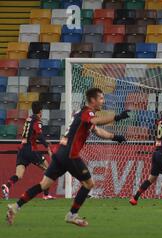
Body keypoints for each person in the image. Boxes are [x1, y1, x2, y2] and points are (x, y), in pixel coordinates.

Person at [6, 88, 129, 227]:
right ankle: (72, 215)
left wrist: (115, 137)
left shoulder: (83, 115)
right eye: (101, 98)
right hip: (70, 155)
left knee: (44, 185)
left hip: (60, 153)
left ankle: (15, 207)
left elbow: (97, 130)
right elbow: (97, 122)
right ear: (93, 100)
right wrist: (116, 117)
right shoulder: (87, 113)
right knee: (89, 184)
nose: (103, 101)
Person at [2, 102, 55, 200]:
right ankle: (46, 194)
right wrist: (47, 146)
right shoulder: (37, 121)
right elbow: (39, 135)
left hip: (22, 149)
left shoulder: (28, 119)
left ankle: (7, 186)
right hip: (31, 149)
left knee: (19, 174)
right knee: (48, 169)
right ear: (40, 111)